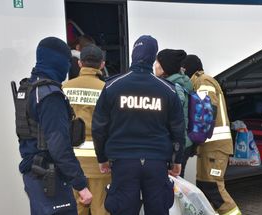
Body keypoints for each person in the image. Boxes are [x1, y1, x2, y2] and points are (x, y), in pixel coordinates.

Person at [91, 35, 186, 215]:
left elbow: (99, 127)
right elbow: (178, 130)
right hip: (156, 162)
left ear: (133, 54)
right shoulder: (167, 89)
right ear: (153, 58)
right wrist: (177, 161)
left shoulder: (112, 86)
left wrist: (102, 158)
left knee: (124, 209)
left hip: (123, 162)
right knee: (158, 209)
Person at [13, 37, 92, 215]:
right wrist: (80, 185)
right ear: (58, 61)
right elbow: (59, 146)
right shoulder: (50, 96)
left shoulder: (28, 88)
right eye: (66, 62)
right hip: (50, 178)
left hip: (33, 173)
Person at [180, 55, 242, 215]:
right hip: (209, 148)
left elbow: (206, 112)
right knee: (205, 187)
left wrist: (193, 141)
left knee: (213, 189)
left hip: (215, 147)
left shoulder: (203, 81)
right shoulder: (199, 82)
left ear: (186, 69)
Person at [62, 44, 110, 215]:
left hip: (72, 165)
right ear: (102, 65)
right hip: (101, 164)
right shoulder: (107, 89)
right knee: (102, 210)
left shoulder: (64, 88)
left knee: (76, 210)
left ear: (80, 64)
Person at [155, 49, 195, 178]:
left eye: (157, 62)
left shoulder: (173, 87)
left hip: (176, 145)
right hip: (180, 143)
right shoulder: (179, 83)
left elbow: (171, 117)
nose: (155, 65)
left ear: (165, 67)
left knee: (172, 186)